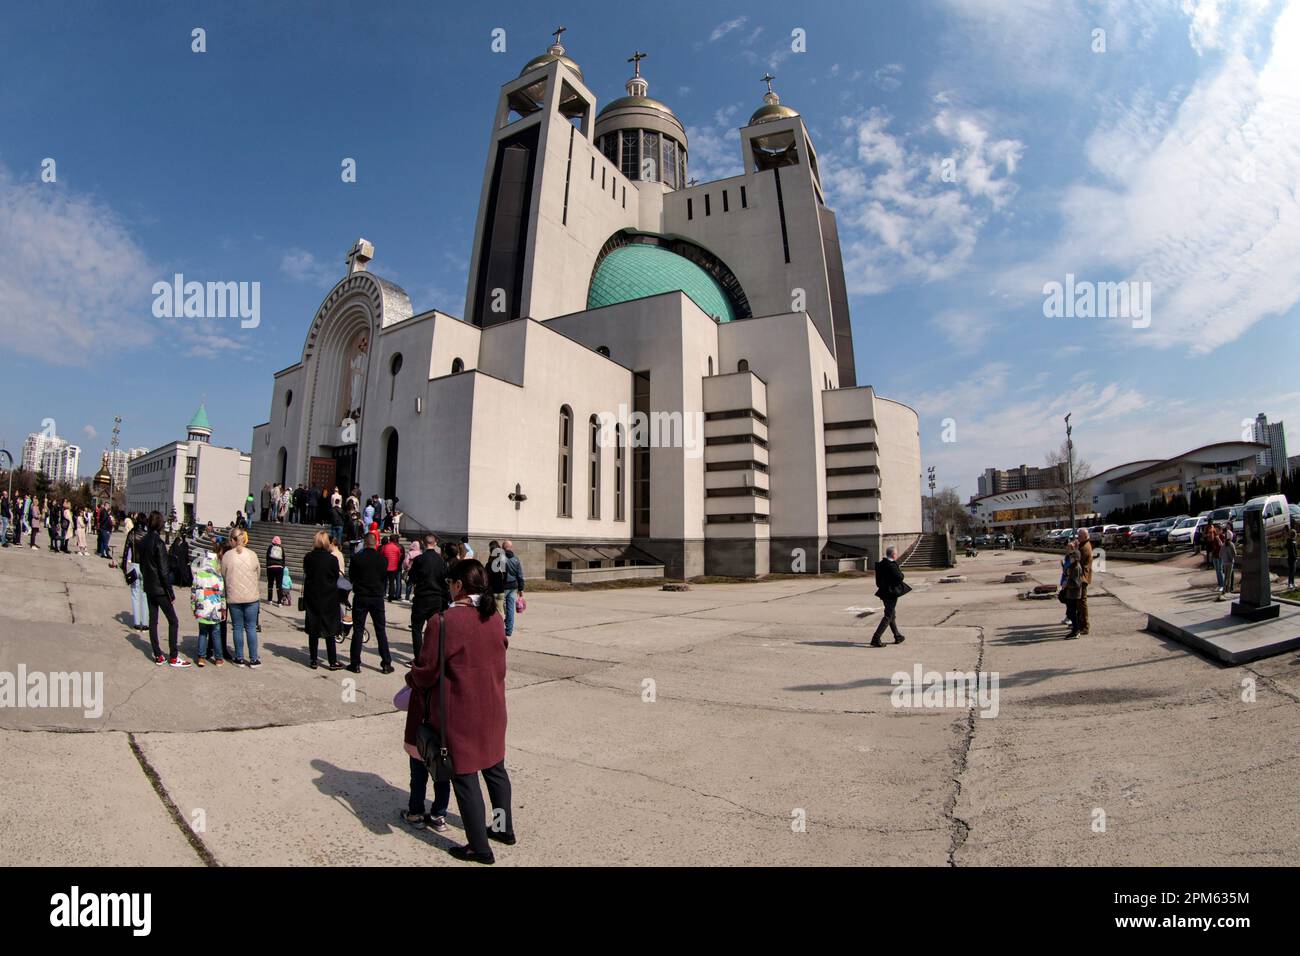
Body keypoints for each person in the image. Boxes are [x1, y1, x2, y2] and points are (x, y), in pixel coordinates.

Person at [403, 559, 514, 863]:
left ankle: (479, 847)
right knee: (495, 770)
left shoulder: (443, 622)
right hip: (493, 705)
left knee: (465, 778)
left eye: (450, 582)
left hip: (461, 712)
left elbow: (426, 671)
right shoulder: (493, 616)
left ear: (458, 586)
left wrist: (410, 677)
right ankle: (503, 829)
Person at [140, 511, 191, 667]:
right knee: (173, 620)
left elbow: (143, 566)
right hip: (160, 588)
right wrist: (170, 592)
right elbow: (163, 571)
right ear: (160, 524)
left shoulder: (144, 541)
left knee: (153, 621)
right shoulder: (159, 543)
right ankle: (173, 656)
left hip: (149, 586)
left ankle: (157, 654)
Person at [347, 532, 394, 674]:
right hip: (377, 597)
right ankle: (386, 663)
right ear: (376, 543)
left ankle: (355, 663)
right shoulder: (382, 560)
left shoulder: (357, 559)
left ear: (365, 543)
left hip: (361, 596)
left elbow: (352, 577)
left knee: (358, 630)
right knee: (380, 630)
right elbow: (383, 578)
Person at [303, 531, 345, 670]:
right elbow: (335, 576)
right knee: (330, 630)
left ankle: (313, 659)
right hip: (329, 597)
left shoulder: (308, 557)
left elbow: (307, 574)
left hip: (313, 596)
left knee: (313, 629)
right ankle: (332, 661)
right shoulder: (332, 559)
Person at [221, 527, 262, 667]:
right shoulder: (252, 554)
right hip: (251, 596)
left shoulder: (227, 556)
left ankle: (239, 657)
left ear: (233, 540)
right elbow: (258, 573)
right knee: (251, 627)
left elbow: (223, 575)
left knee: (237, 627)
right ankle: (253, 658)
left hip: (234, 596)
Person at [408, 533, 450, 666]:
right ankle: (433, 657)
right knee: (434, 629)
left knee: (416, 629)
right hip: (436, 598)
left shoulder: (420, 559)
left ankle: (419, 657)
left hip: (422, 597)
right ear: (435, 543)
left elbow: (412, 577)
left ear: (423, 543)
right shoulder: (440, 560)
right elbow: (444, 578)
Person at [191, 550, 226, 667]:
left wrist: (193, 607)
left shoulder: (198, 575)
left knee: (202, 633)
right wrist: (223, 609)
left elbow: (193, 593)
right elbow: (222, 595)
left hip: (201, 609)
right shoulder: (219, 578)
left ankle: (201, 657)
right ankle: (218, 658)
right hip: (215, 609)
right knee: (216, 633)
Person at [869, 545, 908, 647]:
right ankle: (876, 638)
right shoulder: (891, 565)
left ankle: (897, 636)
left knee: (891, 615)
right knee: (888, 616)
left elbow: (878, 582)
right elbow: (900, 577)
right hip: (891, 594)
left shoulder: (881, 564)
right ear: (894, 554)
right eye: (896, 553)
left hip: (883, 593)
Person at [122, 513, 149, 631]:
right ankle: (146, 622)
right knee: (144, 594)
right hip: (145, 566)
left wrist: (124, 567)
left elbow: (125, 551)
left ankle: (137, 622)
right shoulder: (147, 535)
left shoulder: (132, 533)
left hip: (134, 565)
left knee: (135, 594)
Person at [500, 540, 525, 639]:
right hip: (513, 587)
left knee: (502, 607)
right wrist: (521, 588)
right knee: (510, 609)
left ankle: (504, 623)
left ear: (502, 548)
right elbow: (520, 575)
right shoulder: (516, 559)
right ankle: (509, 630)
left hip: (504, 587)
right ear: (511, 548)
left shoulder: (501, 559)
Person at [1061, 542, 1083, 638]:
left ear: (1076, 558)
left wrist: (1066, 585)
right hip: (1071, 593)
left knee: (1072, 612)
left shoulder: (1076, 568)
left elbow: (1076, 583)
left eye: (1072, 557)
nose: (1071, 558)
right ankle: (1075, 629)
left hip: (1074, 594)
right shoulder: (1072, 567)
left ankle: (1076, 630)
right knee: (1071, 612)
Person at [1075, 527, 1093, 636]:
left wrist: (1075, 549)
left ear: (1085, 537)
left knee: (1082, 602)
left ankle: (1085, 626)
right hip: (1083, 577)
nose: (1077, 537)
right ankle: (1081, 624)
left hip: (1082, 578)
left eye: (1079, 536)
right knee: (1080, 602)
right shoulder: (1084, 545)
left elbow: (1077, 562)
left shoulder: (1084, 548)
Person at [1059, 541, 1078, 628]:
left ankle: (1072, 620)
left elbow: (1070, 572)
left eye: (1069, 548)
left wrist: (1066, 581)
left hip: (1069, 583)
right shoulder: (1067, 557)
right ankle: (1068, 617)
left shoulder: (1073, 558)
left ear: (1072, 549)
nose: (1067, 549)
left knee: (1070, 602)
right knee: (1067, 601)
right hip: (1065, 581)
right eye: (1066, 547)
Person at [381, 534, 404, 602]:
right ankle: (391, 596)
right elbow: (399, 557)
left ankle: (383, 593)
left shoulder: (385, 547)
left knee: (384, 581)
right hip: (394, 567)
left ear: (389, 539)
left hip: (385, 567)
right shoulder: (396, 548)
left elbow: (381, 555)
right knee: (391, 582)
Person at [266, 536, 286, 604]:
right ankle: (279, 602)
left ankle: (270, 600)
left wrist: (268, 565)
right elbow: (283, 558)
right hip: (279, 568)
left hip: (270, 567)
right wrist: (282, 567)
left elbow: (267, 557)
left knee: (270, 584)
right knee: (279, 585)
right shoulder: (281, 548)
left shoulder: (270, 547)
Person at [1219, 527, 1237, 598]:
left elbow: (1220, 554)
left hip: (1224, 563)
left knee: (1225, 576)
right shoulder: (1231, 544)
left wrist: (1224, 557)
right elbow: (1234, 554)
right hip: (1230, 563)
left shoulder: (1223, 545)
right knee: (1229, 577)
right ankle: (1228, 589)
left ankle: (1224, 589)